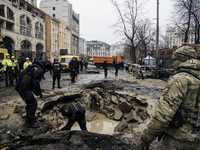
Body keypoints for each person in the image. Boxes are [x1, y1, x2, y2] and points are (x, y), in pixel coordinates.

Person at [137, 45, 200, 150]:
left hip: (178, 139)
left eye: (175, 60)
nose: (173, 63)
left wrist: (145, 138)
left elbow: (163, 116)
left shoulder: (179, 79)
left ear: (183, 60)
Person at [15, 60, 52, 128]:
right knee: (32, 103)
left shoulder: (35, 67)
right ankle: (31, 122)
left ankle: (29, 119)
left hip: (23, 86)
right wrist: (39, 92)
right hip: (23, 87)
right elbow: (35, 83)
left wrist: (35, 92)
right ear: (46, 67)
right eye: (47, 70)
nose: (47, 71)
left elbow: (31, 81)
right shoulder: (38, 70)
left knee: (30, 103)